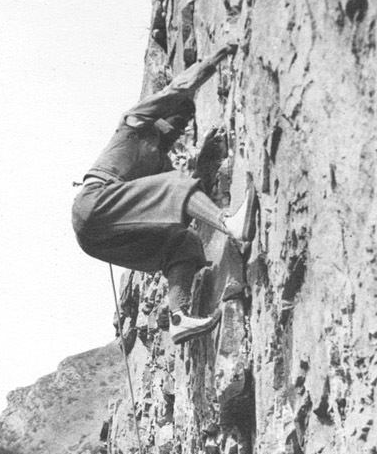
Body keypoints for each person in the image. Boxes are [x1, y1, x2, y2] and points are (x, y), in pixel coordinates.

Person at [72, 43, 257, 344]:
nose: (178, 126)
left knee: (182, 242)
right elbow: (178, 89)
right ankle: (230, 224)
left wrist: (207, 164)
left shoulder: (161, 163)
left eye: (183, 124)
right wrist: (213, 61)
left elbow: (182, 207)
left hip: (100, 237)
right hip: (93, 203)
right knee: (174, 184)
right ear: (161, 116)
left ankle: (179, 317)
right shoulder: (134, 122)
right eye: (175, 119)